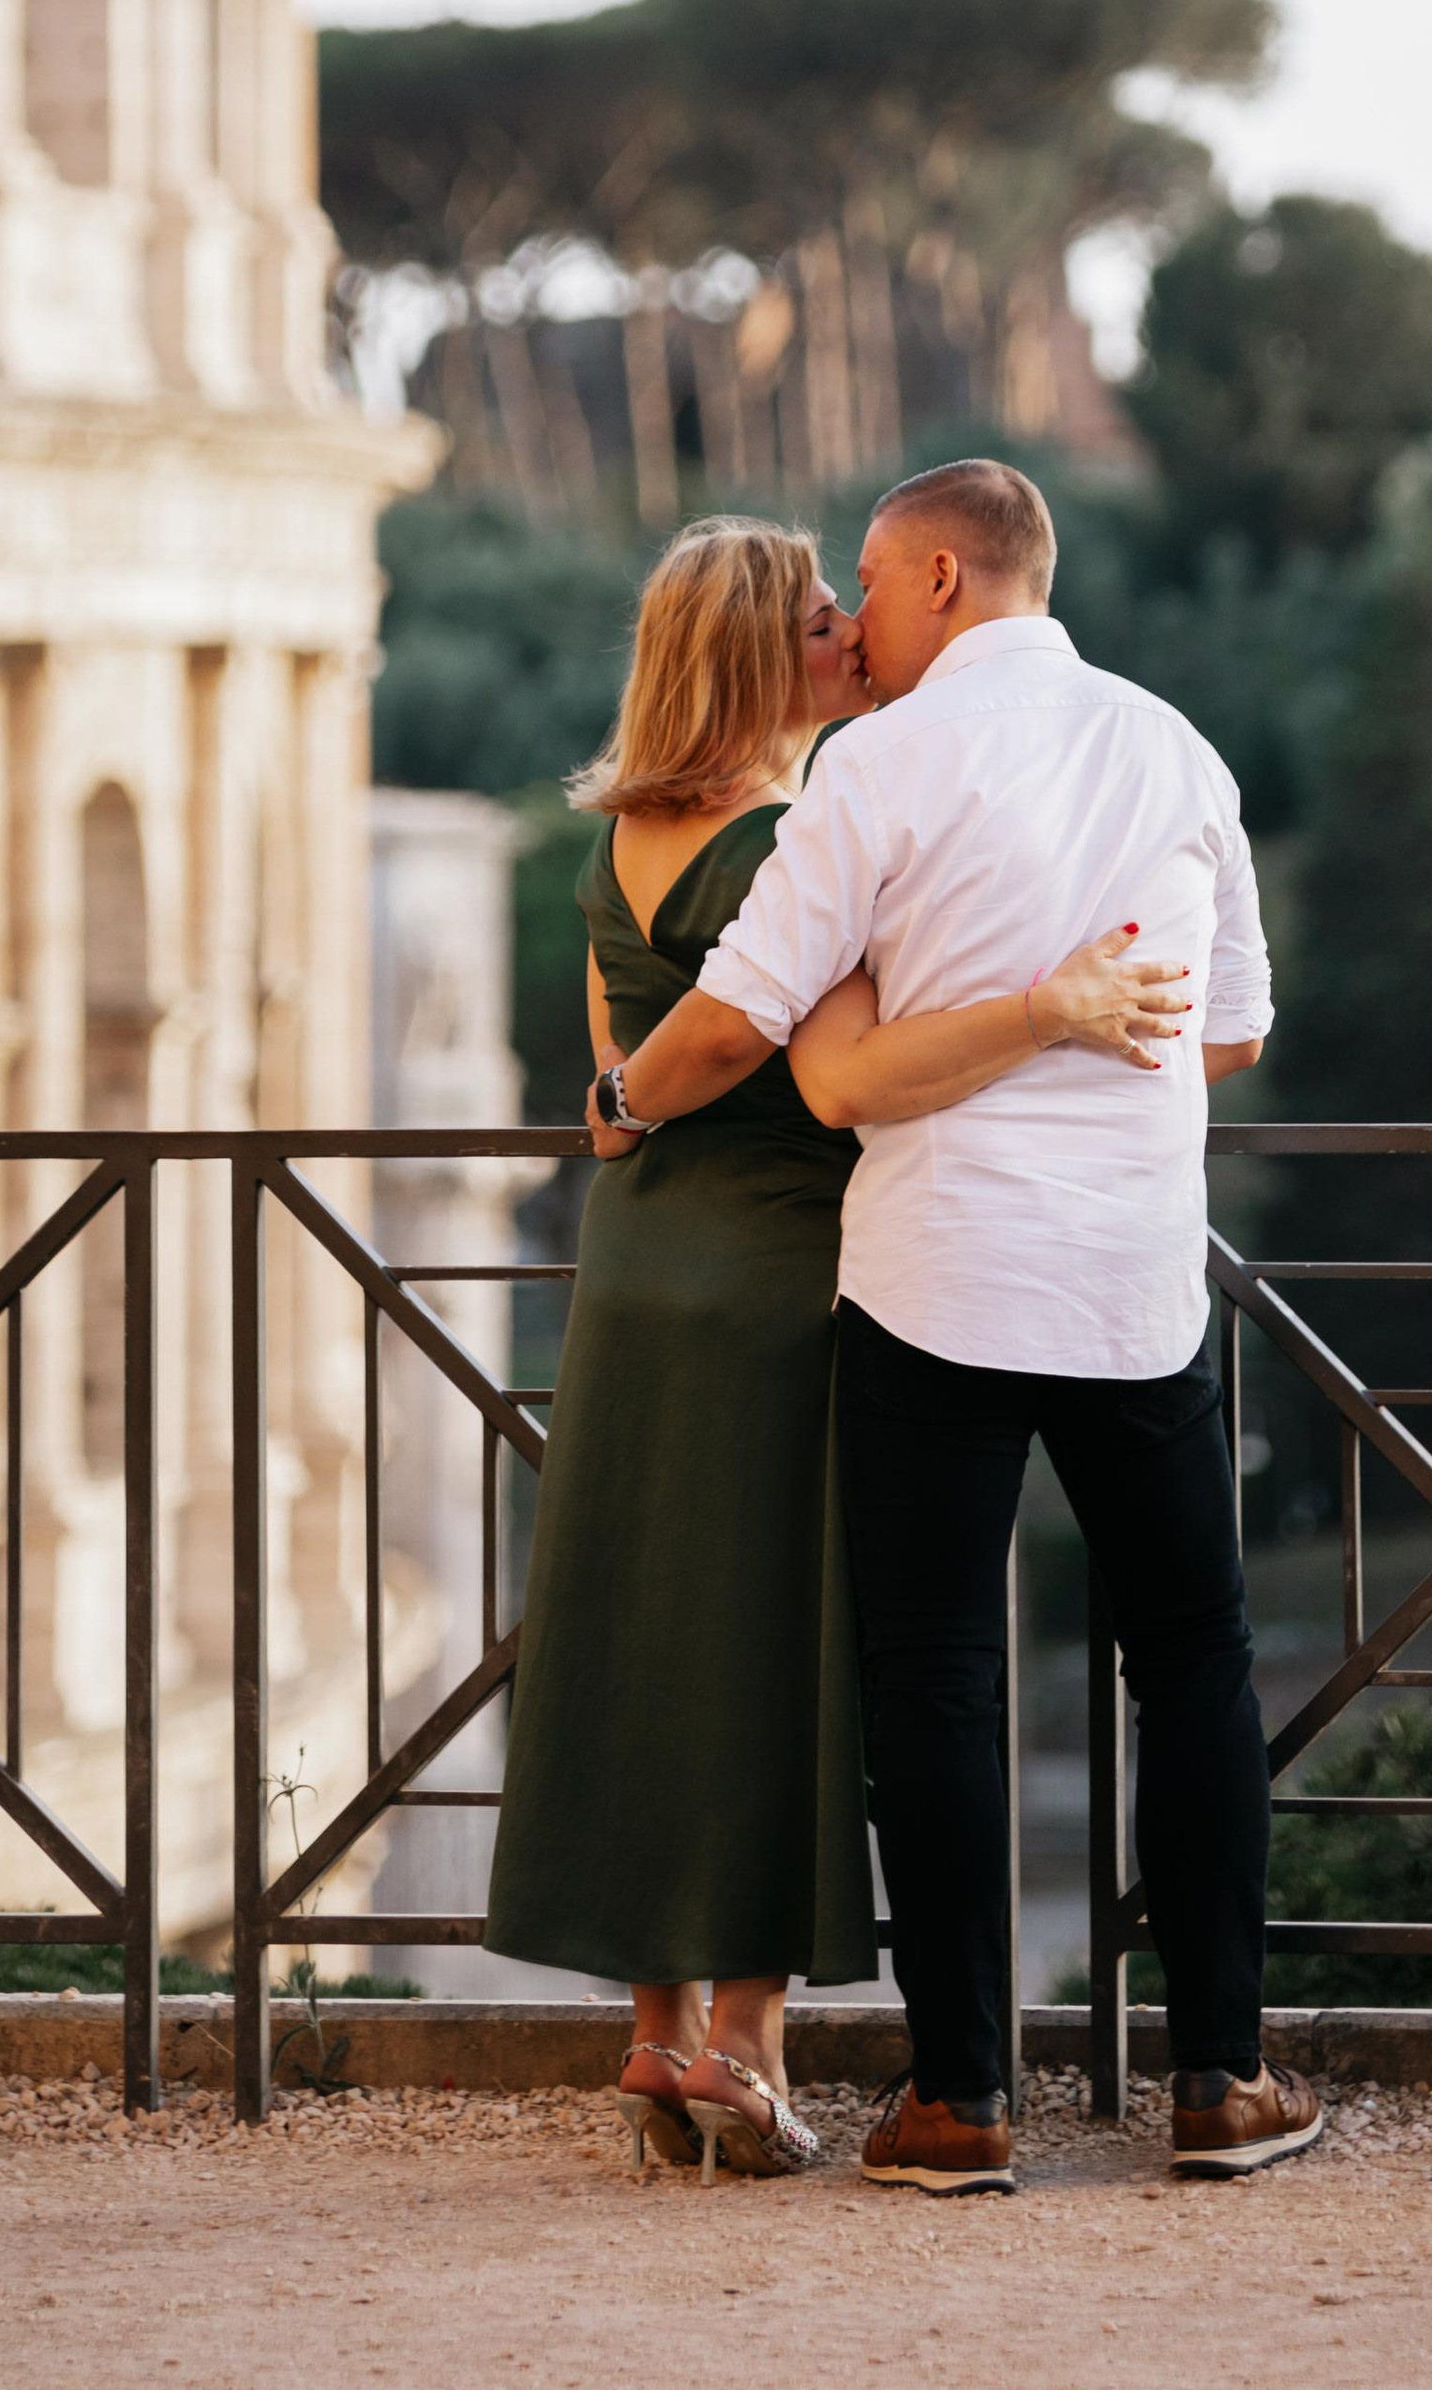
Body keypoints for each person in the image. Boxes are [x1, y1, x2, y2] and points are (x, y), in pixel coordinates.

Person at [603, 457, 1320, 2193]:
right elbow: (1233, 1033)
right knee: (1198, 1662)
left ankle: (961, 2101)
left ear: (938, 576)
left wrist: (624, 1099)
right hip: (1136, 1280)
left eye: (867, 576)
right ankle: (1220, 2078)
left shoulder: (878, 769)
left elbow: (742, 1016)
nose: (851, 617)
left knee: (935, 1679)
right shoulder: (1174, 747)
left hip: (935, 1277)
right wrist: (1086, 1017)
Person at [482, 513, 1189, 2179]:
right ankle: (744, 2046)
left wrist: (615, 1102)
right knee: (781, 1653)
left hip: (639, 1267)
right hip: (788, 1275)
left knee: (649, 1633)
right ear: (757, 658)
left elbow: (619, 1091)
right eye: (817, 620)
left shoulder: (616, 843)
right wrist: (1051, 1009)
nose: (852, 632)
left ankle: (654, 2036)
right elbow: (823, 1069)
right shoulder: (803, 832)